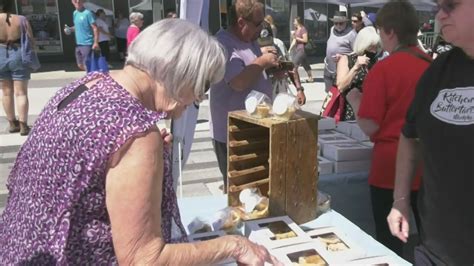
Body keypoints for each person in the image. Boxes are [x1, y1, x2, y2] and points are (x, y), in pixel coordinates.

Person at [0, 19, 281, 265]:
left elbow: (83, 157)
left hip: (19, 248)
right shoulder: (137, 136)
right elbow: (144, 259)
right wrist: (235, 245)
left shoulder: (86, 85)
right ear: (180, 74)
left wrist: (136, 156)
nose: (196, 100)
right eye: (201, 87)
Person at [387, 0, 474, 264]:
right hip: (434, 249)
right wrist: (400, 200)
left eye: (451, 5)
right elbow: (410, 135)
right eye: (438, 6)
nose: (440, 14)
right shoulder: (439, 69)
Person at [346, 0, 432, 258]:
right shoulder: (434, 66)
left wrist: (355, 100)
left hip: (390, 169)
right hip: (429, 166)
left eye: (381, 31)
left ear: (391, 32)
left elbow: (370, 124)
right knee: (431, 241)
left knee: (388, 244)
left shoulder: (383, 69)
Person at [209, 0, 279, 193]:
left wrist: (272, 72)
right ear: (241, 23)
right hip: (233, 133)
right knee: (240, 191)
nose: (262, 28)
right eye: (258, 23)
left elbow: (252, 74)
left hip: (254, 127)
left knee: (258, 187)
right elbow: (238, 82)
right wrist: (263, 62)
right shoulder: (223, 44)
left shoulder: (249, 40)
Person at [332, 26, 380, 121]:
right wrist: (356, 67)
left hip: (371, 114)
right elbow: (341, 87)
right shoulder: (347, 60)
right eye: (371, 46)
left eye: (376, 46)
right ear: (363, 45)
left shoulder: (375, 62)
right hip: (350, 114)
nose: (374, 51)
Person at [0, 0, 32, 135]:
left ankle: (12, 123)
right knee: (21, 92)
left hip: (0, 55)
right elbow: (30, 39)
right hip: (18, 54)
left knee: (6, 92)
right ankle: (23, 125)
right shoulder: (21, 19)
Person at [259, 20, 306, 104]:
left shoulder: (279, 44)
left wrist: (299, 89)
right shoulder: (251, 49)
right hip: (260, 97)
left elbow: (291, 67)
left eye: (269, 42)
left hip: (280, 94)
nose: (267, 46)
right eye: (262, 43)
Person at [324, 11, 357, 92]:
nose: (338, 25)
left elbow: (356, 52)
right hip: (329, 67)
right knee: (329, 93)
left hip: (342, 69)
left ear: (346, 22)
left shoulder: (352, 34)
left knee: (339, 93)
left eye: (341, 23)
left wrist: (343, 57)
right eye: (336, 23)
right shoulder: (332, 30)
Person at [64, 0, 99, 71]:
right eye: (75, 0)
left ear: (82, 1)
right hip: (78, 44)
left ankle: (91, 77)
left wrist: (96, 42)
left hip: (87, 44)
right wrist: (69, 29)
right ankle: (92, 75)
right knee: (80, 65)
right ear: (72, 2)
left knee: (88, 64)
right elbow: (77, 27)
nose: (77, 2)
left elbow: (95, 28)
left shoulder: (88, 13)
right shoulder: (75, 13)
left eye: (79, 0)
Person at [289, 16, 313, 83]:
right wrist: (290, 49)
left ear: (298, 21)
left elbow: (305, 40)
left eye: (294, 21)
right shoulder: (296, 30)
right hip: (298, 49)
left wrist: (296, 38)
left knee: (294, 64)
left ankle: (294, 79)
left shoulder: (303, 29)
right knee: (305, 64)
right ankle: (310, 78)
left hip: (302, 49)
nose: (293, 23)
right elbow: (294, 40)